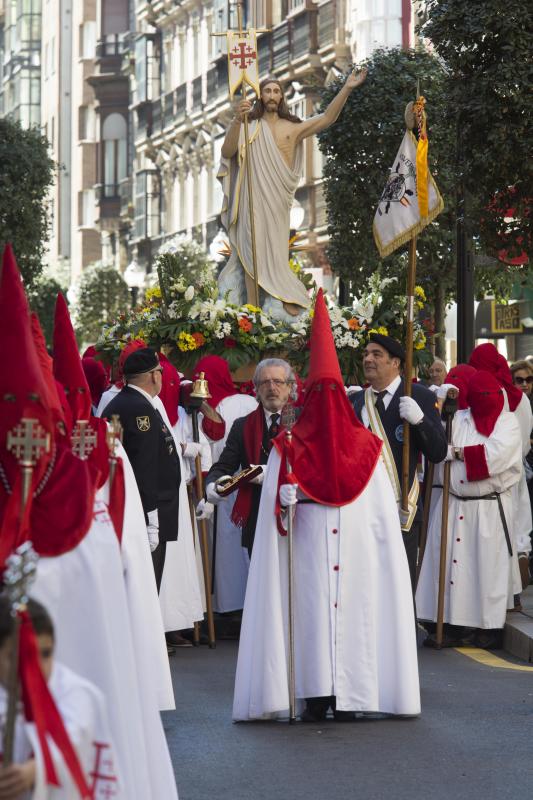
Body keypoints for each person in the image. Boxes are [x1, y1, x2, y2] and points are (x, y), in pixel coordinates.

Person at [233, 290, 420, 722]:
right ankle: (313, 692)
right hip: (308, 548)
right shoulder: (288, 447)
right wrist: (281, 504)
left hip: (353, 553)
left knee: (355, 616)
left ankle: (355, 693)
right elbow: (273, 521)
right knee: (310, 616)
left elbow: (379, 521)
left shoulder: (369, 450)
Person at [218, 70, 367, 319]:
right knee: (251, 248)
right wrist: (236, 120)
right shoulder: (249, 125)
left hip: (278, 199)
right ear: (260, 96)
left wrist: (347, 88)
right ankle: (252, 311)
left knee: (275, 253)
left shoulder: (293, 128)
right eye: (267, 91)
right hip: (252, 198)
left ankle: (280, 299)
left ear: (282, 96)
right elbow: (228, 149)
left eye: (276, 91)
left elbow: (328, 118)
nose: (272, 95)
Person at [416, 371, 523, 649]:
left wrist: (460, 453)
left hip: (487, 506)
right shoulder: (460, 418)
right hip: (453, 504)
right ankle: (450, 626)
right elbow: (440, 442)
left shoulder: (507, 422)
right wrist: (437, 407)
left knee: (485, 570)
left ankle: (487, 628)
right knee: (453, 569)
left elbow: (496, 455)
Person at [0, 596, 122, 799]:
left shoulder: (77, 692)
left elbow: (77, 740)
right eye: (21, 656)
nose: (35, 668)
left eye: (45, 654)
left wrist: (37, 768)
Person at [351, 333, 448, 588]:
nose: (368, 359)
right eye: (366, 354)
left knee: (401, 586)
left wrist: (420, 422)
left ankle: (407, 630)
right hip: (363, 509)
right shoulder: (358, 401)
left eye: (376, 354)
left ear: (396, 362)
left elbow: (438, 452)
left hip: (402, 506)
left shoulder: (420, 396)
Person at [102, 348, 181, 593]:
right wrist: (151, 519)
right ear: (153, 376)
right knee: (145, 591)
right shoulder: (139, 408)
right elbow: (144, 466)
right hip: (146, 512)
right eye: (160, 371)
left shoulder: (128, 402)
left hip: (141, 509)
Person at [204, 358, 295, 555]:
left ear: (289, 387)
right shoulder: (242, 426)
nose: (271, 387)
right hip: (257, 518)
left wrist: (270, 474)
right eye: (265, 382)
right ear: (256, 389)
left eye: (278, 382)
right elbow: (224, 466)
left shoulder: (304, 421)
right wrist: (211, 485)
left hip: (297, 517)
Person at [193, 355, 257, 615]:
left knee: (224, 548)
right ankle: (249, 606)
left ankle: (225, 607)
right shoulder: (249, 401)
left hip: (220, 484)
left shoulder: (209, 407)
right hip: (250, 481)